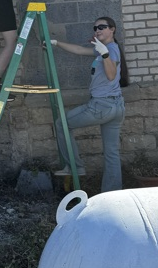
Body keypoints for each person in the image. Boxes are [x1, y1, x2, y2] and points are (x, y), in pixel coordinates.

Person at [50, 16, 128, 192]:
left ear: (112, 29)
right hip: (116, 107)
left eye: (102, 27)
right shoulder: (104, 49)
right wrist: (55, 43)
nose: (98, 30)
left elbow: (111, 75)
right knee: (112, 154)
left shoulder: (111, 50)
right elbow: (78, 50)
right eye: (95, 28)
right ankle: (112, 195)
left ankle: (75, 166)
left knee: (61, 124)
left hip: (102, 106)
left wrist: (105, 54)